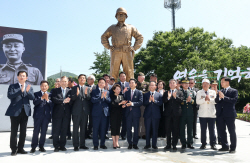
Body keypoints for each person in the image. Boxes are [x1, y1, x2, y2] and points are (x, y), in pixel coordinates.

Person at [101, 7, 143, 82]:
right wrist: (109, 46)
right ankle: (113, 88)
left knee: (129, 71)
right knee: (113, 71)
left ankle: (130, 88)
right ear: (116, 16)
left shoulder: (131, 27)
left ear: (126, 16)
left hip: (127, 51)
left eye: (122, 14)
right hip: (115, 51)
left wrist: (134, 47)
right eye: (119, 14)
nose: (120, 16)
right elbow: (104, 36)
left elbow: (140, 37)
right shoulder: (112, 27)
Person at [5, 71, 34, 156]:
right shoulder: (12, 86)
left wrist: (28, 92)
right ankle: (14, 149)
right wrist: (20, 91)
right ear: (17, 77)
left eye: (24, 76)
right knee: (14, 131)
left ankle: (21, 148)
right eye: (20, 75)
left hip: (25, 112)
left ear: (26, 78)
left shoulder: (29, 87)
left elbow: (32, 97)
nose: (22, 77)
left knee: (23, 131)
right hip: (14, 112)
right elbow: (9, 96)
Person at [215, 76, 238, 153]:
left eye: (222, 82)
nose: (221, 83)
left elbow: (234, 100)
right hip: (220, 114)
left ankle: (233, 147)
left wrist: (224, 97)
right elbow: (216, 100)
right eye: (221, 82)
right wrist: (220, 98)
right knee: (221, 131)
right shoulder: (220, 91)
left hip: (230, 114)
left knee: (231, 131)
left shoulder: (234, 91)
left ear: (227, 82)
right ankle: (225, 146)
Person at [30, 80, 53, 153]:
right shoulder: (36, 94)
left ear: (48, 87)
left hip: (46, 116)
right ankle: (33, 147)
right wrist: (42, 98)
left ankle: (41, 146)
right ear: (40, 86)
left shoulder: (50, 94)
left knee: (44, 132)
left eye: (45, 86)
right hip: (37, 116)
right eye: (42, 86)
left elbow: (52, 105)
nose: (44, 87)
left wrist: (47, 100)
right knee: (36, 132)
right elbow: (35, 103)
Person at [70, 74, 91, 151]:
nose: (82, 79)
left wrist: (86, 94)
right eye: (81, 78)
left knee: (83, 129)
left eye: (84, 78)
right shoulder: (74, 88)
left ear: (85, 80)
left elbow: (89, 99)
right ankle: (75, 145)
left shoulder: (87, 88)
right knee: (75, 129)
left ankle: (82, 145)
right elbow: (72, 99)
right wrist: (76, 94)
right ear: (78, 79)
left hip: (85, 112)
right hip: (76, 112)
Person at [51, 76, 71, 152]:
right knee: (56, 131)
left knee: (64, 131)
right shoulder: (55, 90)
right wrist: (63, 100)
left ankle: (62, 145)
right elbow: (54, 99)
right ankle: (56, 146)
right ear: (60, 82)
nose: (64, 83)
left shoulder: (70, 91)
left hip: (66, 114)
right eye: (62, 81)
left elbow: (72, 101)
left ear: (67, 82)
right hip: (57, 114)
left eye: (65, 81)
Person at [196, 79, 217, 150]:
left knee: (212, 130)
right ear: (202, 85)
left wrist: (209, 100)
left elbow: (216, 101)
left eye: (206, 84)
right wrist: (204, 100)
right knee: (203, 130)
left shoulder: (213, 92)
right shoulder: (199, 92)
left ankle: (213, 144)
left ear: (209, 85)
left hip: (211, 114)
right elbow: (197, 101)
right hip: (203, 114)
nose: (205, 85)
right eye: (204, 84)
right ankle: (203, 144)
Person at [163, 79, 183, 151]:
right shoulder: (166, 93)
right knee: (168, 130)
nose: (172, 84)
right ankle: (168, 144)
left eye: (173, 83)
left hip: (176, 114)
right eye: (170, 83)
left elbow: (181, 101)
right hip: (168, 114)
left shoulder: (180, 92)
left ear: (176, 84)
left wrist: (175, 97)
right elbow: (163, 101)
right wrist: (168, 97)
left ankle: (174, 144)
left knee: (175, 130)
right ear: (169, 85)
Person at [91, 77, 111, 150]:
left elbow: (109, 101)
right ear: (98, 83)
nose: (101, 84)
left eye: (103, 83)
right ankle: (95, 145)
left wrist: (105, 97)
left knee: (103, 129)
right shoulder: (94, 91)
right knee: (95, 129)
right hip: (96, 114)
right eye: (100, 82)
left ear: (105, 84)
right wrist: (100, 97)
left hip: (105, 114)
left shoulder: (107, 92)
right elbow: (92, 100)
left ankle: (102, 144)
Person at [123, 78, 143, 149]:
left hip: (136, 113)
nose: (131, 84)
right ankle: (129, 143)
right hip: (128, 113)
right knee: (128, 129)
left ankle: (135, 144)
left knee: (136, 129)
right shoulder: (126, 92)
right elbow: (124, 101)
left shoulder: (139, 92)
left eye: (132, 83)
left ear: (136, 84)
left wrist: (132, 104)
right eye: (130, 83)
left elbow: (140, 102)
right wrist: (124, 104)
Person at [143, 81, 162, 149]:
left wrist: (154, 101)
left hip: (156, 115)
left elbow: (160, 103)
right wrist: (149, 101)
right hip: (147, 115)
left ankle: (154, 144)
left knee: (155, 130)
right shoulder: (146, 94)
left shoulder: (159, 95)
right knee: (147, 130)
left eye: (152, 85)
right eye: (150, 85)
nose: (151, 86)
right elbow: (144, 103)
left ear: (155, 86)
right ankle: (147, 144)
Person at [179, 77, 196, 149]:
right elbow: (178, 101)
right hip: (182, 114)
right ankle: (183, 143)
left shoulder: (191, 92)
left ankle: (190, 143)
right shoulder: (179, 92)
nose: (186, 85)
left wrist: (191, 101)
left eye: (187, 83)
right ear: (182, 84)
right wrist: (186, 101)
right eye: (184, 83)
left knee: (190, 129)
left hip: (190, 113)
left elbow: (195, 102)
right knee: (182, 129)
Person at [110, 84, 125, 149]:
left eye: (119, 89)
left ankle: (117, 142)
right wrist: (120, 103)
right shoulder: (111, 96)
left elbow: (121, 106)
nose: (119, 90)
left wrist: (123, 106)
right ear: (114, 90)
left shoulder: (121, 96)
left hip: (119, 115)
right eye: (117, 89)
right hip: (113, 114)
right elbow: (112, 104)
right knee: (113, 128)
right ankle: (114, 142)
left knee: (118, 128)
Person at [116, 72, 130, 140]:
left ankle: (123, 134)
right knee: (118, 121)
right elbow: (115, 94)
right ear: (119, 77)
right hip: (118, 105)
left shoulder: (129, 84)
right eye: (121, 76)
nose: (122, 77)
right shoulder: (116, 84)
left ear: (126, 76)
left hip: (126, 105)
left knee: (125, 121)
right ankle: (117, 134)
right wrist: (122, 92)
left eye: (124, 76)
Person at [136, 72, 149, 139]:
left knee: (143, 119)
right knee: (138, 119)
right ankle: (137, 134)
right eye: (138, 77)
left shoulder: (147, 84)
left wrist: (141, 92)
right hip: (137, 104)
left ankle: (143, 133)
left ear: (143, 77)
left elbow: (148, 92)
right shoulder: (136, 84)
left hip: (144, 103)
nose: (138, 78)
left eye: (139, 77)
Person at [85, 74, 96, 139]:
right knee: (85, 121)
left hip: (94, 107)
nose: (87, 80)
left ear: (93, 80)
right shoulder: (85, 87)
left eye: (88, 79)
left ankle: (91, 133)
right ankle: (85, 134)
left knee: (92, 121)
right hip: (86, 106)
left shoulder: (96, 87)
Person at [210, 80, 221, 145]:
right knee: (212, 127)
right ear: (211, 85)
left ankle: (220, 139)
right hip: (210, 111)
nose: (214, 86)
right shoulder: (208, 92)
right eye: (213, 85)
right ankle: (213, 140)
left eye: (216, 85)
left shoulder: (220, 92)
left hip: (219, 111)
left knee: (219, 126)